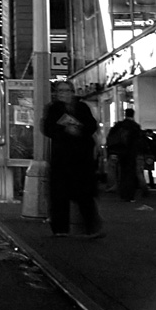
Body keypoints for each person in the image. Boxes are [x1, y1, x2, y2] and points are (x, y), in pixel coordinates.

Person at [41, 80, 103, 238]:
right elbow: (47, 128)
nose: (63, 93)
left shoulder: (82, 107)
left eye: (67, 90)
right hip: (62, 157)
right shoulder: (53, 108)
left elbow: (92, 125)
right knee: (60, 194)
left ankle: (91, 227)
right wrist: (65, 130)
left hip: (82, 157)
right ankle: (60, 229)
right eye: (60, 90)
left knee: (85, 193)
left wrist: (79, 129)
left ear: (72, 92)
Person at [107, 108, 144, 202]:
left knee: (122, 172)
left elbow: (111, 138)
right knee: (131, 174)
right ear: (133, 114)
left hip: (120, 153)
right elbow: (139, 142)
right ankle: (130, 195)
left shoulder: (119, 125)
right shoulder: (135, 126)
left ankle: (123, 193)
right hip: (131, 153)